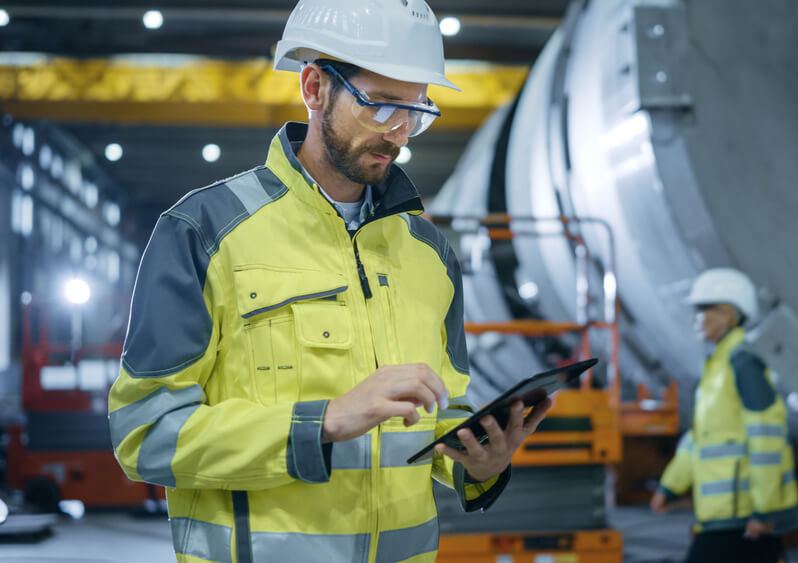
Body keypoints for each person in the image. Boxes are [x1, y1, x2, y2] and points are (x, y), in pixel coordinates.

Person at [108, 1, 551, 561]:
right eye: (382, 104)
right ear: (315, 87)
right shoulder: (205, 231)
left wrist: (479, 464)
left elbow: (446, 412)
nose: (400, 131)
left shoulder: (430, 254)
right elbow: (144, 435)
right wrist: (325, 422)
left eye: (417, 110)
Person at [650, 268, 798, 563]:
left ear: (730, 314)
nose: (699, 318)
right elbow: (700, 439)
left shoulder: (743, 364)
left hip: (743, 517)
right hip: (721, 516)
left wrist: (764, 510)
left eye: (706, 309)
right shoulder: (717, 366)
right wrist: (670, 486)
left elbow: (767, 439)